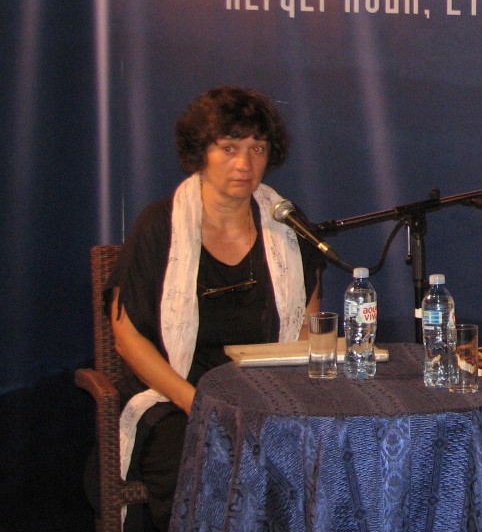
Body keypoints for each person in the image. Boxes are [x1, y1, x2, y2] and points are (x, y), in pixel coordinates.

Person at [103, 86, 327, 532]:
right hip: (175, 397)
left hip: (267, 394)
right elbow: (126, 338)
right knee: (200, 455)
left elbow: (310, 325)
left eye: (256, 148)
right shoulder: (159, 226)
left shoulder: (287, 224)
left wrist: (285, 402)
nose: (244, 164)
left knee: (320, 449)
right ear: (200, 153)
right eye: (229, 148)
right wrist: (198, 403)